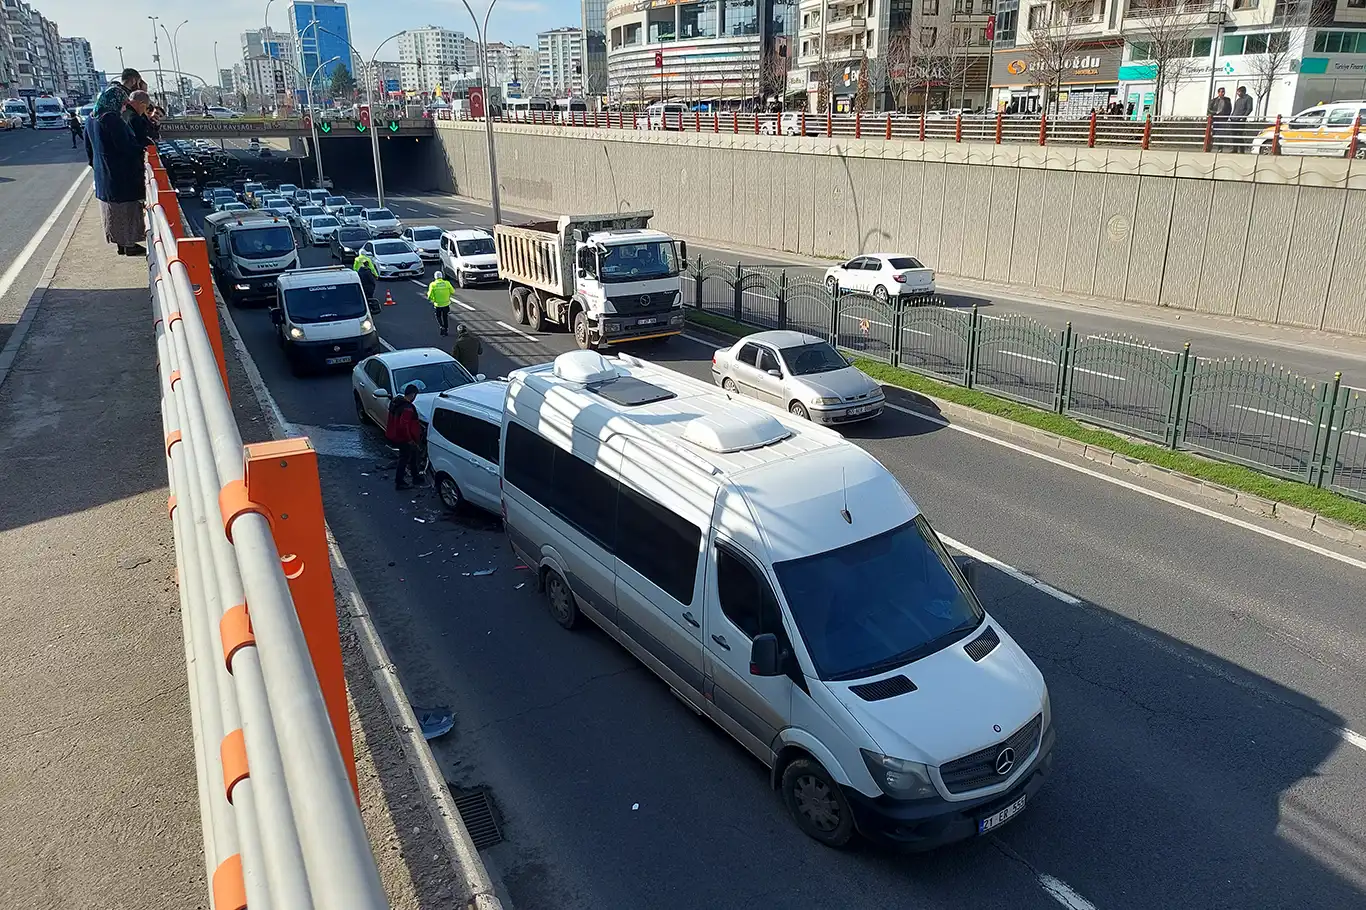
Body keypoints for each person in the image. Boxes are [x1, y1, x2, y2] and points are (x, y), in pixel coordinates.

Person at [88, 90, 151, 256]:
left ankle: (121, 244)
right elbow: (125, 146)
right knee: (126, 210)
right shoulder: (111, 119)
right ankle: (129, 244)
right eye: (123, 104)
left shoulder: (92, 118)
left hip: (103, 173)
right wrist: (142, 149)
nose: (124, 107)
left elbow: (88, 147)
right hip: (120, 174)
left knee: (111, 212)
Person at [385, 384, 425, 490]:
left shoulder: (396, 403)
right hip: (405, 438)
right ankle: (400, 482)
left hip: (398, 436)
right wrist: (410, 439)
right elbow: (404, 425)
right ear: (412, 395)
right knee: (405, 458)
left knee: (412, 456)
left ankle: (415, 476)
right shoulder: (408, 408)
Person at [1209, 87, 1232, 151]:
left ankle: (1220, 148)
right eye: (1221, 92)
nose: (1223, 93)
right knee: (1212, 133)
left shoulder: (1227, 100)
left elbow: (1229, 109)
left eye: (1224, 92)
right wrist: (1215, 113)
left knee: (1221, 134)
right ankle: (1210, 146)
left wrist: (1226, 117)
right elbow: (1209, 109)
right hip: (1215, 119)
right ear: (1218, 93)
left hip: (1223, 119)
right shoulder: (1214, 100)